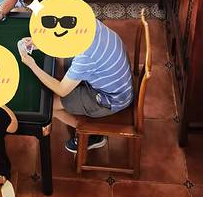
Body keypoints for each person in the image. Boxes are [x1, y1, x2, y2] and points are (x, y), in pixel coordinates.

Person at [18, 19, 134, 153]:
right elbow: (65, 41)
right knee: (65, 62)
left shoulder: (85, 57)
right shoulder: (91, 23)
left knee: (49, 107)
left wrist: (32, 65)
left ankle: (91, 134)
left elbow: (61, 90)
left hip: (110, 99)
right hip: (119, 83)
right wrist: (41, 44)